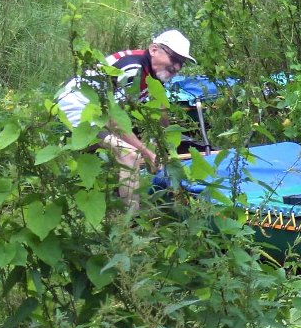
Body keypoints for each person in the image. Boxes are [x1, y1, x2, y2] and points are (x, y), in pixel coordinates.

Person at [54, 29, 196, 212]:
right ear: (154, 50)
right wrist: (147, 153)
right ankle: (129, 223)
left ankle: (109, 197)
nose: (176, 67)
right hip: (76, 108)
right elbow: (115, 121)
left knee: (129, 148)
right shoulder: (132, 69)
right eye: (173, 59)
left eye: (181, 63)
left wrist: (164, 147)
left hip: (97, 113)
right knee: (130, 154)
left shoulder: (154, 72)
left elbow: (161, 109)